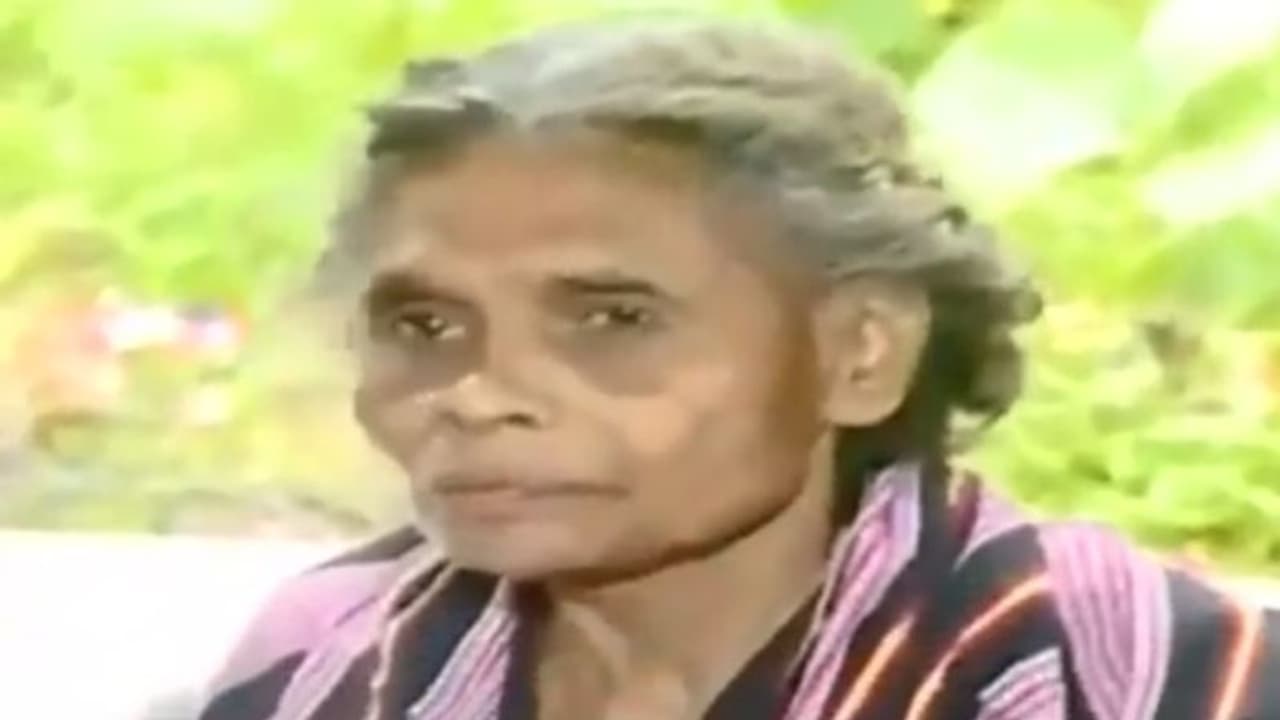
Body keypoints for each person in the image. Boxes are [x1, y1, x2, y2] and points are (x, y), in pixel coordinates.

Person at [197, 20, 1279, 720]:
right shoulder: (333, 664)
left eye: (611, 319)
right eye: (425, 325)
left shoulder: (1127, 677)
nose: (477, 395)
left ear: (860, 352)